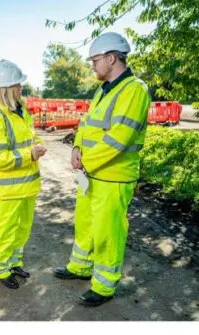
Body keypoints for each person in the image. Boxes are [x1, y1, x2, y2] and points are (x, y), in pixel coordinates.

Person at [55, 32, 151, 306]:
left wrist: (87, 160)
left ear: (111, 58)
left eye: (95, 60)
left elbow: (119, 138)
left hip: (114, 176)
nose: (92, 65)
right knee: (85, 224)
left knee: (108, 232)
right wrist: (76, 148)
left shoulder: (134, 90)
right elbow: (87, 124)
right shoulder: (104, 89)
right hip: (93, 174)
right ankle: (80, 267)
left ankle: (103, 287)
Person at [0, 60, 46, 290]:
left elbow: (32, 136)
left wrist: (38, 146)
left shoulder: (21, 111)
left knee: (22, 229)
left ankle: (15, 262)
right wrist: (30, 154)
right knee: (5, 230)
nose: (21, 89)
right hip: (8, 191)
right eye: (17, 85)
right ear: (4, 88)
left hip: (27, 187)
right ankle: (1, 269)